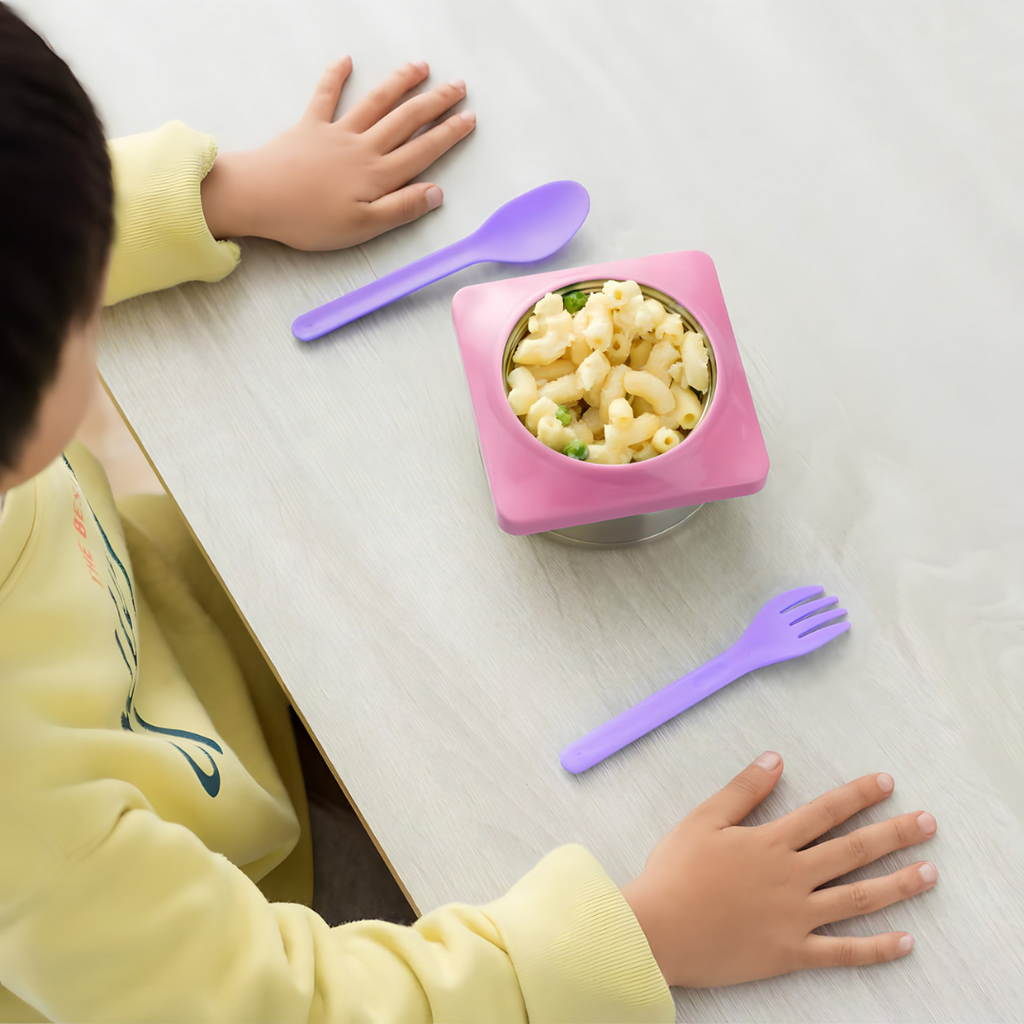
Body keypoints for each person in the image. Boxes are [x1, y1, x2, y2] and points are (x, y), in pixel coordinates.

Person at [0, 7, 938, 1021]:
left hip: (185, 622)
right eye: (82, 291)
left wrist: (219, 195)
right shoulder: (33, 840)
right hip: (240, 895)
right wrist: (643, 936)